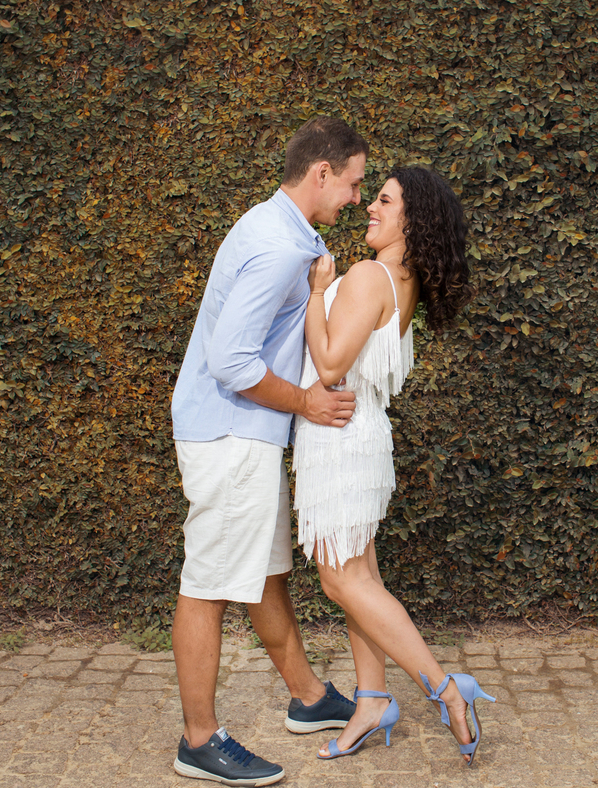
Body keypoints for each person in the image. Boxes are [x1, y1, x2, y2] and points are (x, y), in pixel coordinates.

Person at [169, 117, 369, 787]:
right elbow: (230, 360)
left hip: (241, 431)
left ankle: (310, 699)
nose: (354, 199)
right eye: (351, 183)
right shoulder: (281, 246)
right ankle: (199, 739)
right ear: (321, 173)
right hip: (229, 432)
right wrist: (307, 402)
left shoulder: (279, 228)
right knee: (208, 583)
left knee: (263, 572)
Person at [291, 166, 492, 767]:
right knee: (362, 583)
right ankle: (372, 700)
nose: (369, 208)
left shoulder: (365, 277)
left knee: (341, 581)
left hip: (340, 440)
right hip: (363, 436)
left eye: (383, 201)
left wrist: (313, 294)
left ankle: (444, 688)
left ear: (413, 218)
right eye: (372, 197)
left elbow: (328, 366)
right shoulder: (403, 281)